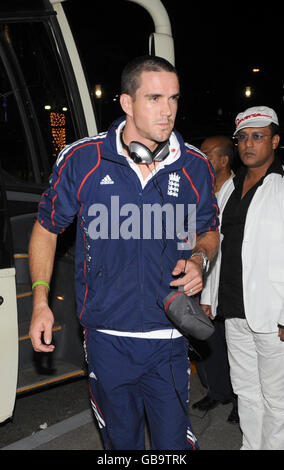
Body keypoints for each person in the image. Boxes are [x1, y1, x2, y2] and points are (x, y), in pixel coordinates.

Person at [28, 55, 219, 450]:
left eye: (174, 99)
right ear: (126, 103)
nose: (168, 111)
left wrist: (200, 258)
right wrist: (40, 301)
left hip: (169, 338)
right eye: (154, 98)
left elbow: (209, 231)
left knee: (174, 449)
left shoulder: (196, 167)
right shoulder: (83, 160)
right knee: (122, 446)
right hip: (107, 339)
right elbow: (46, 229)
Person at [199, 105, 284, 450]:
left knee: (276, 396)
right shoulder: (228, 189)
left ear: (275, 141)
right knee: (246, 390)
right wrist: (207, 295)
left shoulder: (281, 188)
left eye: (258, 136)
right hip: (233, 308)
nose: (249, 144)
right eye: (243, 138)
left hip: (270, 311)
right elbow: (215, 242)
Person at [192, 136, 239, 424]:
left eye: (207, 154)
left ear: (223, 160)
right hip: (203, 278)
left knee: (235, 347)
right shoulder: (203, 190)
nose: (202, 159)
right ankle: (217, 391)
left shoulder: (238, 192)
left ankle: (239, 398)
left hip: (227, 283)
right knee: (208, 342)